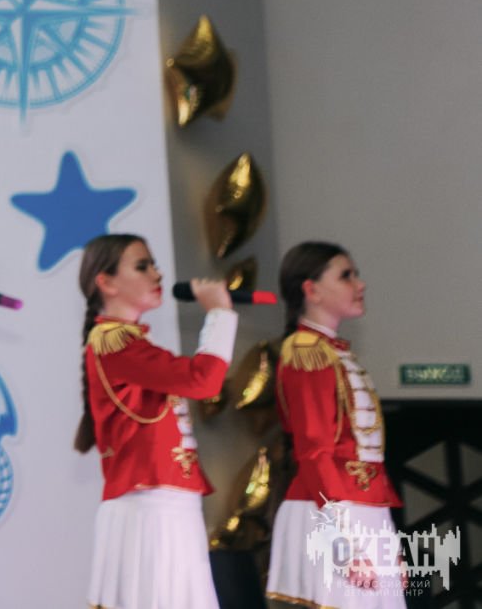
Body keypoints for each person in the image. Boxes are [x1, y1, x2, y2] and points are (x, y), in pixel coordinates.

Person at [75, 233, 236, 609]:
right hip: (149, 506)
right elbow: (202, 380)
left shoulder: (129, 342)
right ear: (106, 282)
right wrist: (219, 314)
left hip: (166, 503)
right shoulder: (114, 342)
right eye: (142, 266)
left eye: (154, 265)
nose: (157, 274)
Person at [266, 243, 405, 608]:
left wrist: (387, 540)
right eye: (346, 276)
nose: (360, 284)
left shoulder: (334, 352)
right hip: (329, 514)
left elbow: (366, 463)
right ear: (311, 290)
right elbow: (315, 452)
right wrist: (343, 544)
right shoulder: (306, 351)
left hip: (361, 511)